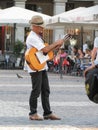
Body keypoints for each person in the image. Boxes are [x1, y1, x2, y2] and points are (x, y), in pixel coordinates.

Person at [25, 15, 71, 121]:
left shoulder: (38, 36)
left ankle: (47, 113)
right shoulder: (32, 37)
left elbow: (43, 52)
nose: (42, 28)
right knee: (36, 91)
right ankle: (33, 113)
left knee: (45, 90)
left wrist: (56, 47)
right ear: (34, 26)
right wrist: (56, 43)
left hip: (41, 65)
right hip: (35, 67)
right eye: (40, 27)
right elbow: (45, 50)